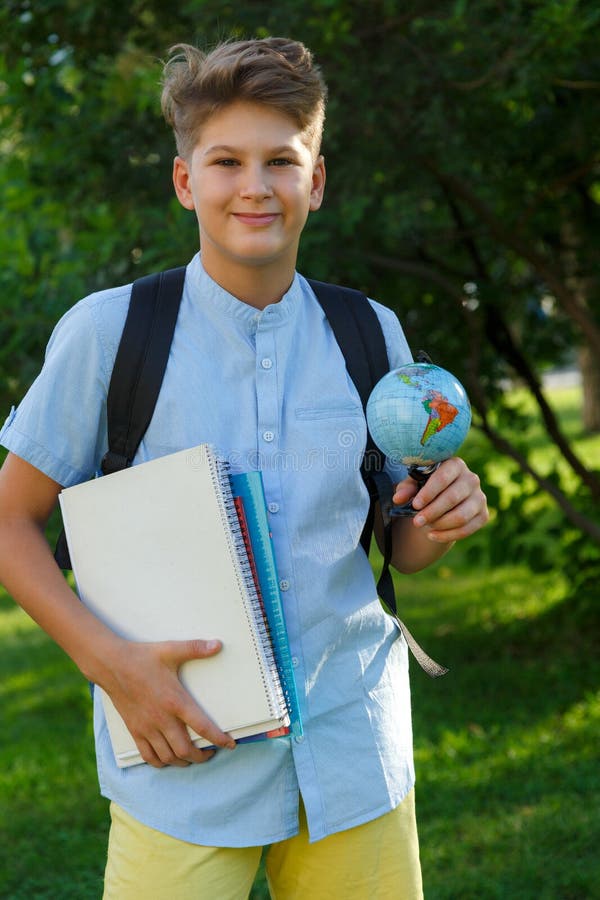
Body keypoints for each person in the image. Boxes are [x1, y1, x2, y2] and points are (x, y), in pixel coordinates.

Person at [0, 37, 488, 899]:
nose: (256, 186)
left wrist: (437, 519)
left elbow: (397, 543)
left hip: (355, 758)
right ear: (187, 181)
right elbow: (9, 520)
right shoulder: (112, 334)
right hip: (184, 762)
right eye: (227, 161)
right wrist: (111, 667)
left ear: (318, 181)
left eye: (282, 161)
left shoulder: (370, 333)